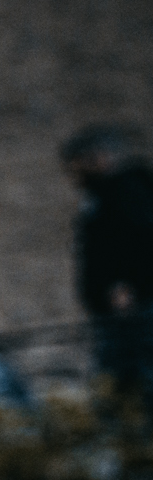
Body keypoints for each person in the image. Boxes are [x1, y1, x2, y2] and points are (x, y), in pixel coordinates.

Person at [60, 123, 153, 394]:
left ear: (98, 157)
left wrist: (127, 284)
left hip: (136, 309)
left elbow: (142, 238)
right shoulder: (103, 196)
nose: (74, 175)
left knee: (131, 380)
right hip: (120, 313)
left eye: (77, 165)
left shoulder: (128, 190)